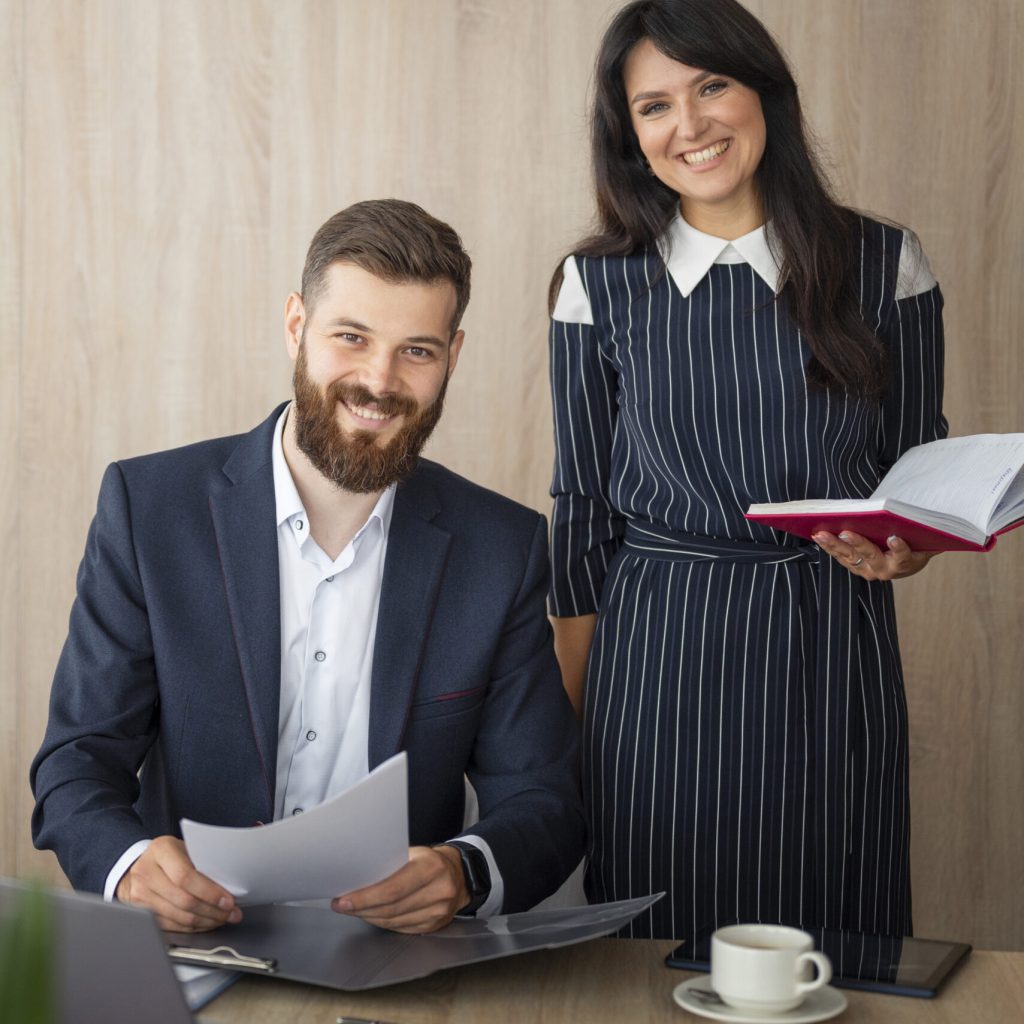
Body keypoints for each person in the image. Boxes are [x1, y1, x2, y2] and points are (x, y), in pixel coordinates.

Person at [31, 198, 585, 935]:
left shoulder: (502, 547)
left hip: (400, 967)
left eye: (415, 351)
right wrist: (128, 865)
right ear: (297, 326)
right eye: (351, 337)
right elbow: (76, 762)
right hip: (194, 953)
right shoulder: (149, 510)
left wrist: (464, 871)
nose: (379, 381)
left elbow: (545, 800)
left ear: (451, 357)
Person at [548, 0, 945, 941]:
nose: (690, 126)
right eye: (654, 106)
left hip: (829, 645)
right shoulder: (596, 285)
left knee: (831, 935)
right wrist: (571, 714)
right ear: (630, 135)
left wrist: (911, 551)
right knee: (653, 943)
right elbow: (581, 507)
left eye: (712, 85)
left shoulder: (885, 263)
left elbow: (918, 470)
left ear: (764, 89)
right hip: (654, 656)